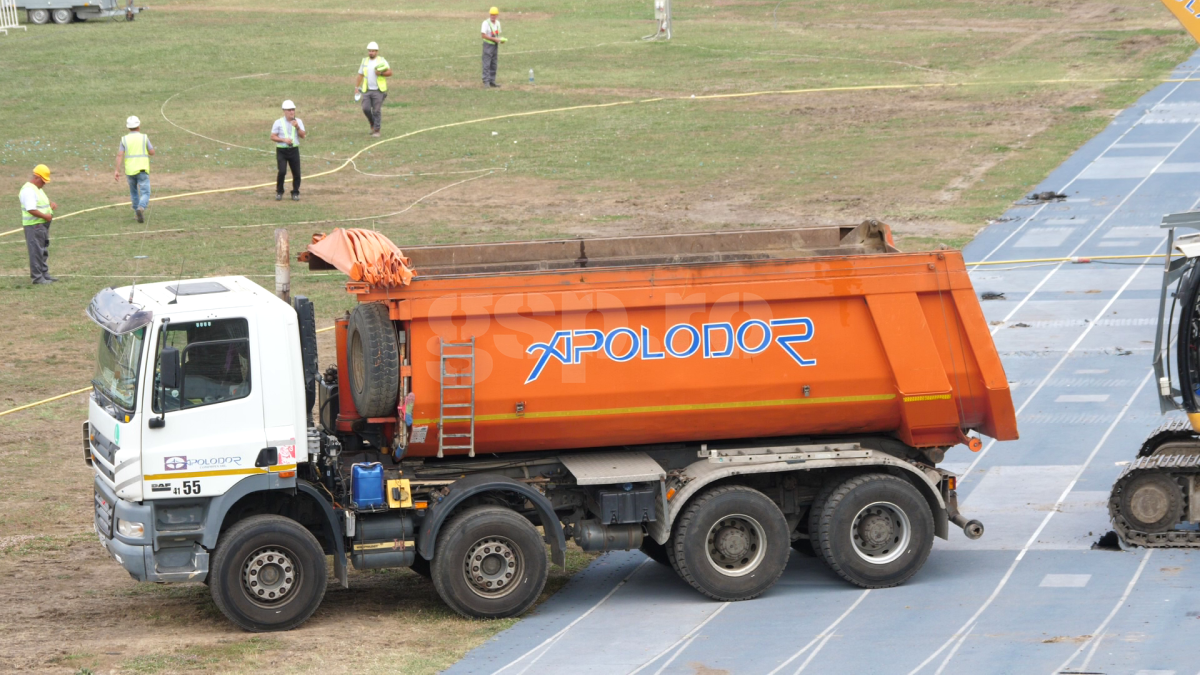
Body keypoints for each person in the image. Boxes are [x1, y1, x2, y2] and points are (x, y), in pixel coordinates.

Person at [19, 164, 57, 285]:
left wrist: (50, 204)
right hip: (34, 225)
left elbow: (41, 202)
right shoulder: (28, 190)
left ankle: (44, 273)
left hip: (41, 226)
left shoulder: (37, 189)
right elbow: (31, 209)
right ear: (37, 177)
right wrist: (46, 216)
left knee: (43, 250)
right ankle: (37, 277)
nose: (44, 183)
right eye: (43, 181)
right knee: (36, 251)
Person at [114, 115, 155, 223]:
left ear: (128, 127)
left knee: (134, 192)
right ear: (139, 126)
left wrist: (117, 170)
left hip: (130, 170)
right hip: (142, 169)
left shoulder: (124, 139)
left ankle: (137, 214)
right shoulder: (144, 138)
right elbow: (152, 152)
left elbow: (119, 155)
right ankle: (141, 208)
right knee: (145, 192)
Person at [270, 100, 307, 201]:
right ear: (284, 111)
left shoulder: (298, 121)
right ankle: (279, 191)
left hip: (294, 150)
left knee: (297, 173)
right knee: (282, 171)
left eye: (293, 110)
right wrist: (283, 140)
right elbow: (272, 136)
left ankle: (295, 192)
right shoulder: (278, 122)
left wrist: (297, 127)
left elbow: (303, 135)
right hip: (282, 150)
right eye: (289, 110)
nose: (292, 112)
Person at [355, 42, 392, 138]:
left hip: (378, 90)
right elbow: (360, 75)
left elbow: (389, 72)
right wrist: (356, 87)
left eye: (373, 51)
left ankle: (377, 130)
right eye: (369, 51)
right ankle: (372, 123)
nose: (371, 53)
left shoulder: (381, 61)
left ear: (376, 51)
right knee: (365, 108)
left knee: (376, 111)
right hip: (367, 90)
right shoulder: (364, 61)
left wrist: (381, 74)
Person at [481, 7, 507, 88]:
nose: (492, 16)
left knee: (493, 63)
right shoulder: (485, 23)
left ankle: (492, 81)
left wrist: (500, 40)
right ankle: (486, 81)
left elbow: (497, 35)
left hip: (495, 45)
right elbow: (483, 35)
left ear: (497, 15)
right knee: (487, 63)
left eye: (494, 15)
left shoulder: (498, 23)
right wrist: (494, 39)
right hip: (488, 45)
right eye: (491, 15)